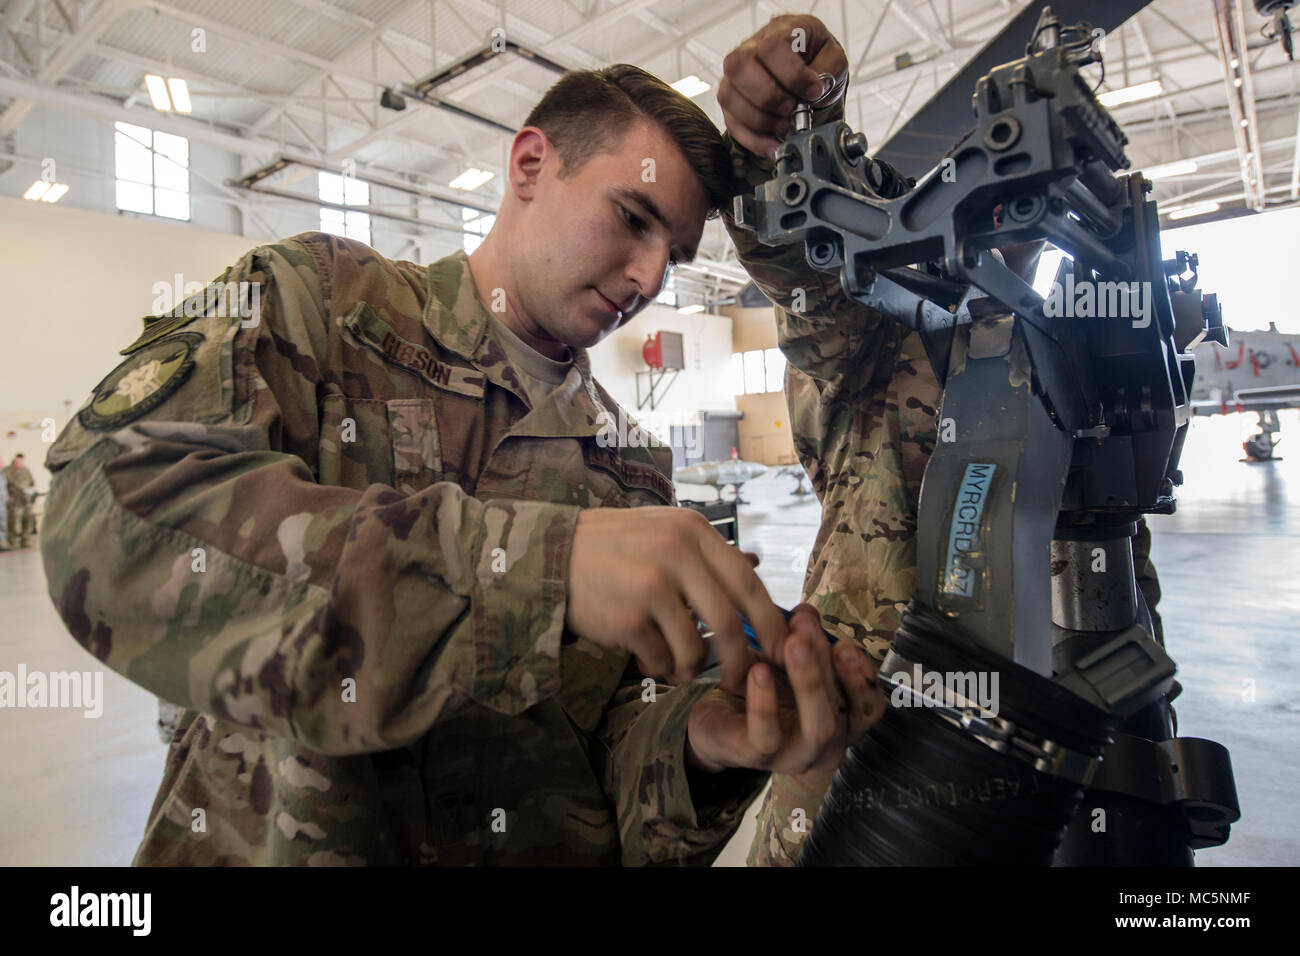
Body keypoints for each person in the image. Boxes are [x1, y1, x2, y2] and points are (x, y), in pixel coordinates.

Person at [40, 64, 884, 866]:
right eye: (633, 218)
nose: (651, 276)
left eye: (676, 254)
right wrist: (540, 569)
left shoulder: (632, 470)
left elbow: (610, 750)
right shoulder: (323, 306)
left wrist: (702, 747)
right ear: (529, 165)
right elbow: (108, 501)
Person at [718, 14, 1169, 865]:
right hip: (865, 781)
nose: (1027, 226)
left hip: (1055, 783)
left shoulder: (1075, 360)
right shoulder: (879, 336)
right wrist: (778, 132)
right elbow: (804, 268)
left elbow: (1116, 576)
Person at [4, 452, 35, 549]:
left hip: (26, 500)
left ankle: (26, 541)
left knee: (27, 521)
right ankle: (12, 542)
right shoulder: (7, 472)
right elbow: (3, 485)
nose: (21, 465)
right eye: (18, 464)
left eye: (22, 463)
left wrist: (31, 490)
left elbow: (32, 482)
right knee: (13, 522)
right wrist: (7, 496)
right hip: (15, 500)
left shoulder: (26, 471)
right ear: (13, 464)